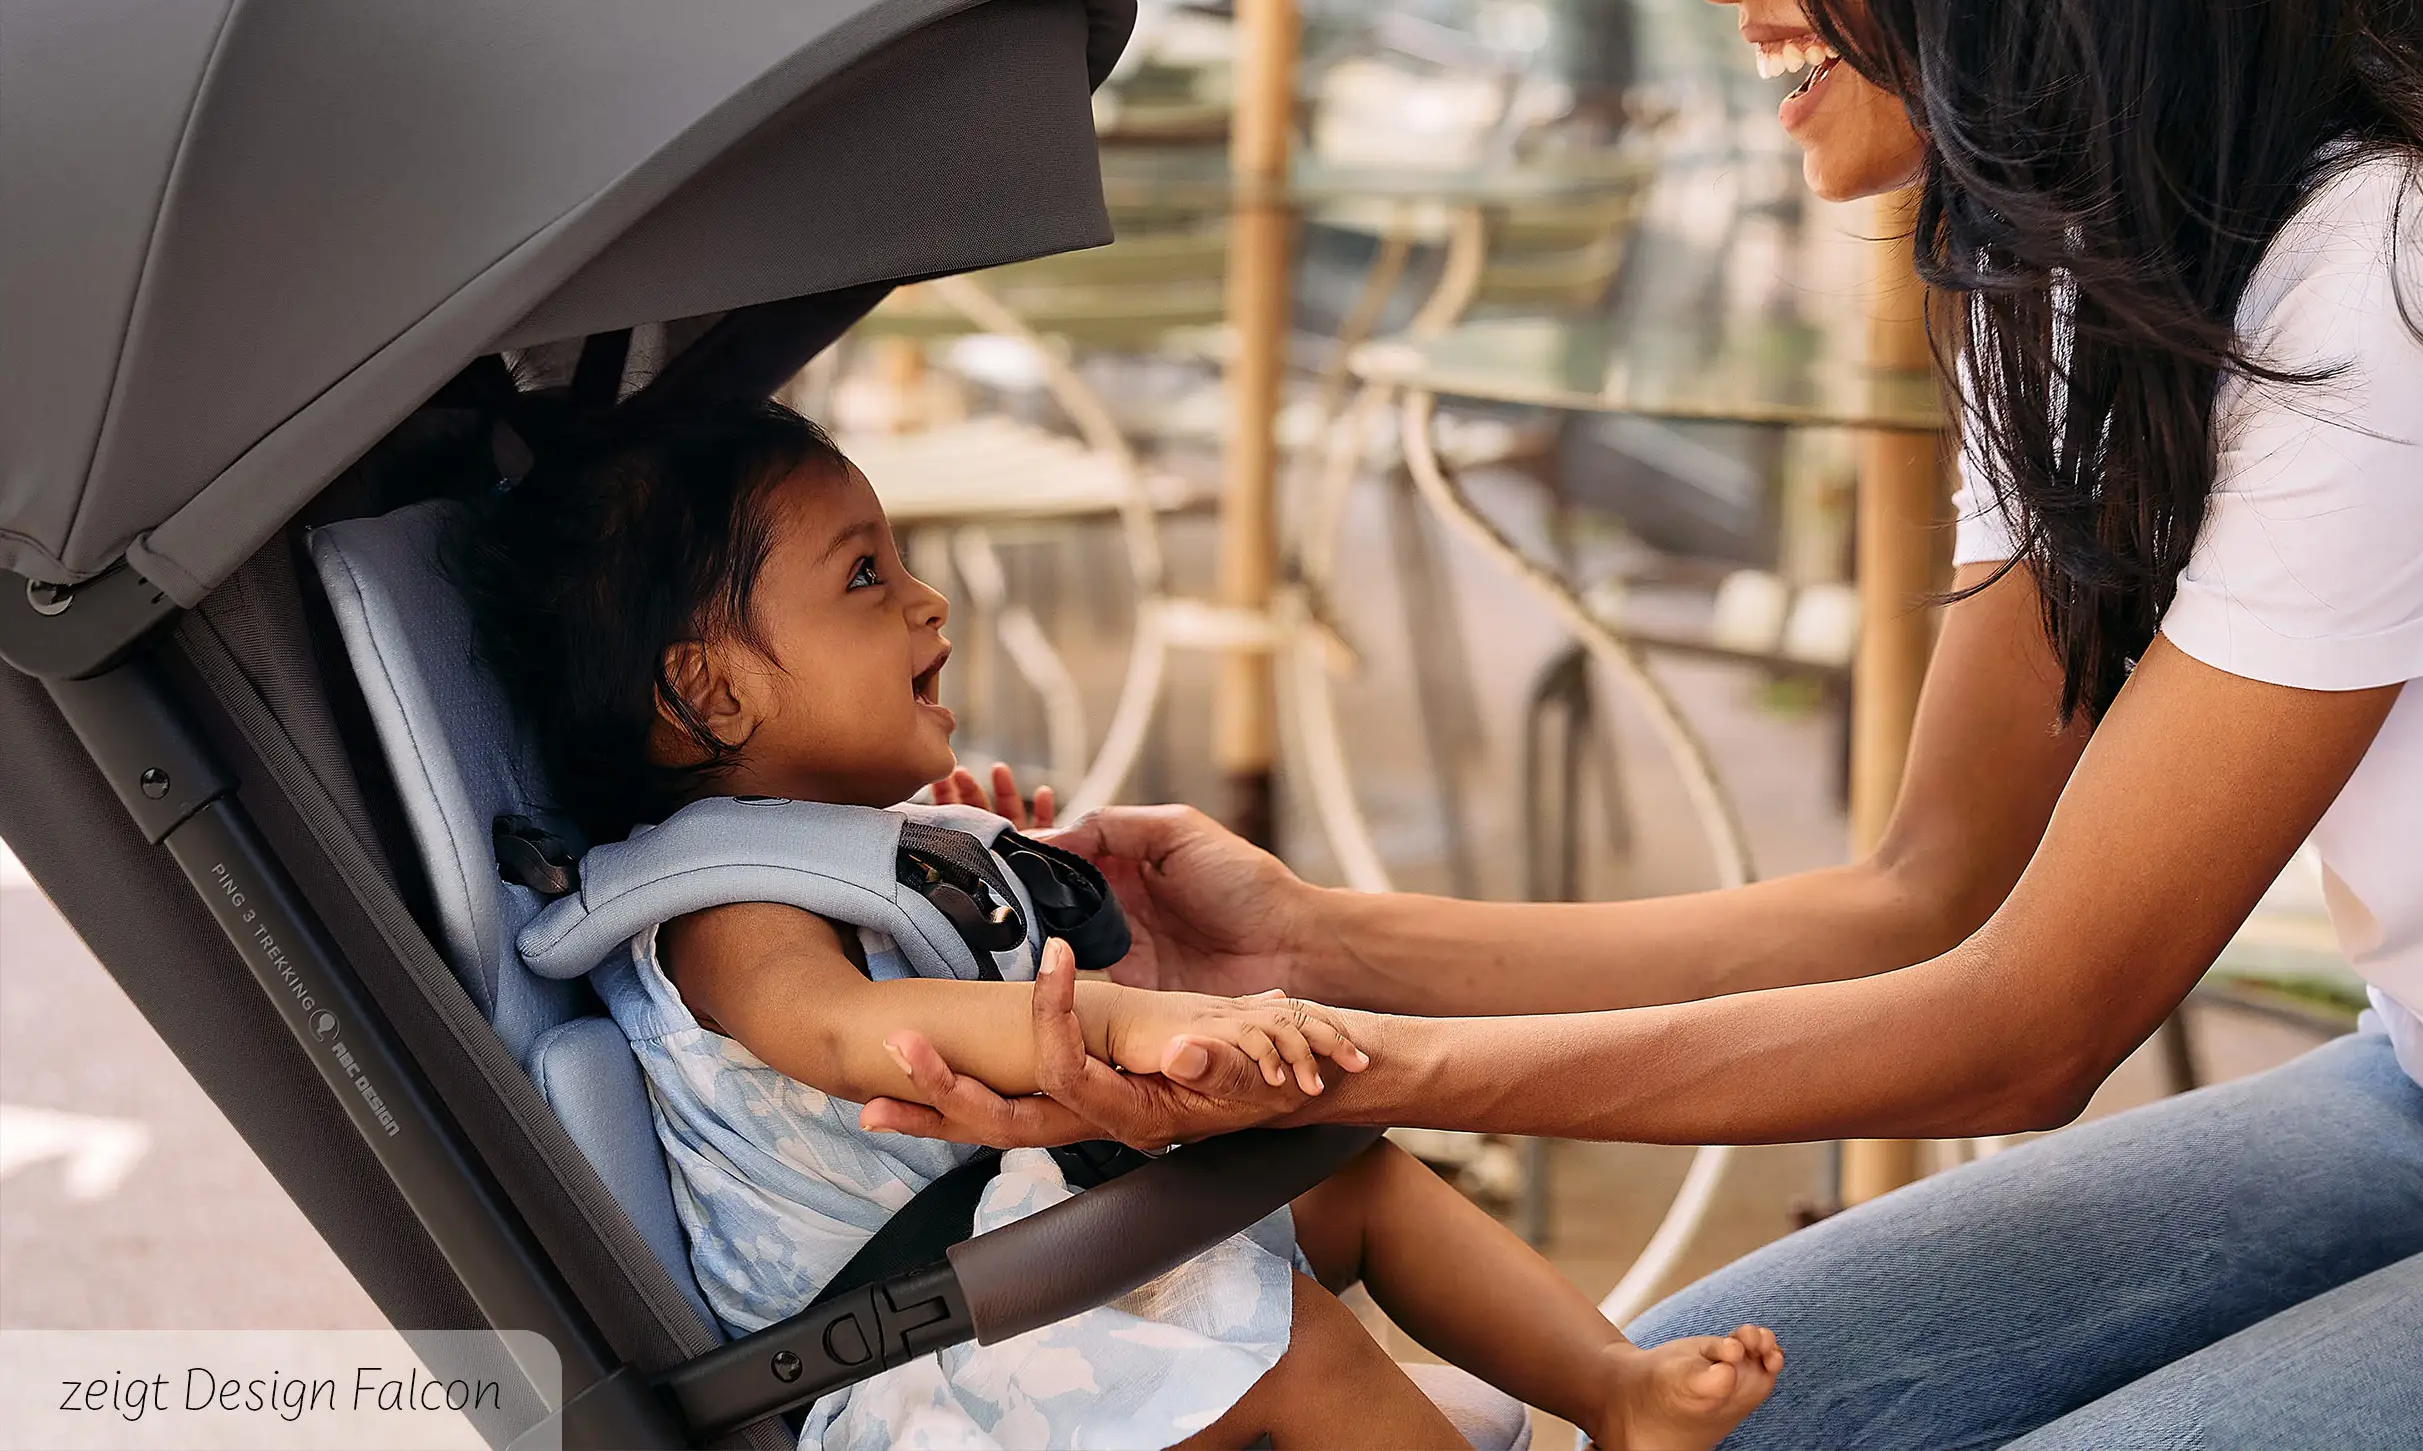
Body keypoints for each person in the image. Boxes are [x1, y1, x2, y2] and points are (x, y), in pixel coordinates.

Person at [860, 0, 2423, 1450]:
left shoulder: (2402, 265)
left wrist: (1309, 1066)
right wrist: (1307, 946)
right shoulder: (2057, 260)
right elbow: (1921, 890)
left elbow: (2036, 1017)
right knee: (1719, 1404)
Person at [456, 397, 1784, 1451]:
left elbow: (938, 968)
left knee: (1353, 1179)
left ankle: (1612, 1390)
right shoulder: (718, 909)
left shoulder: (860, 862)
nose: (930, 603)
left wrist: (969, 887)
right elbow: (865, 1030)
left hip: (1028, 1273)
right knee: (1291, 1345)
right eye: (864, 576)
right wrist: (1133, 1020)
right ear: (709, 692)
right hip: (919, 1374)